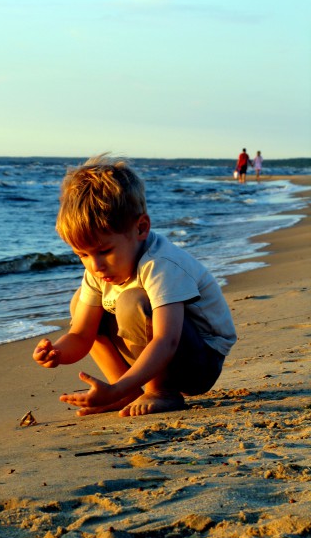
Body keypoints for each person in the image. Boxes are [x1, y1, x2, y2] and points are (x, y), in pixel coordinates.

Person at [33, 154, 237, 417]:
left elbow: (167, 339)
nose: (94, 265)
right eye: (82, 255)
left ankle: (160, 391)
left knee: (133, 300)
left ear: (141, 228)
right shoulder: (98, 271)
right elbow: (82, 335)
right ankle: (129, 392)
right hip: (153, 355)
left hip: (198, 362)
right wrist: (57, 352)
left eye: (104, 250)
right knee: (81, 301)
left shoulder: (160, 263)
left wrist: (114, 389)